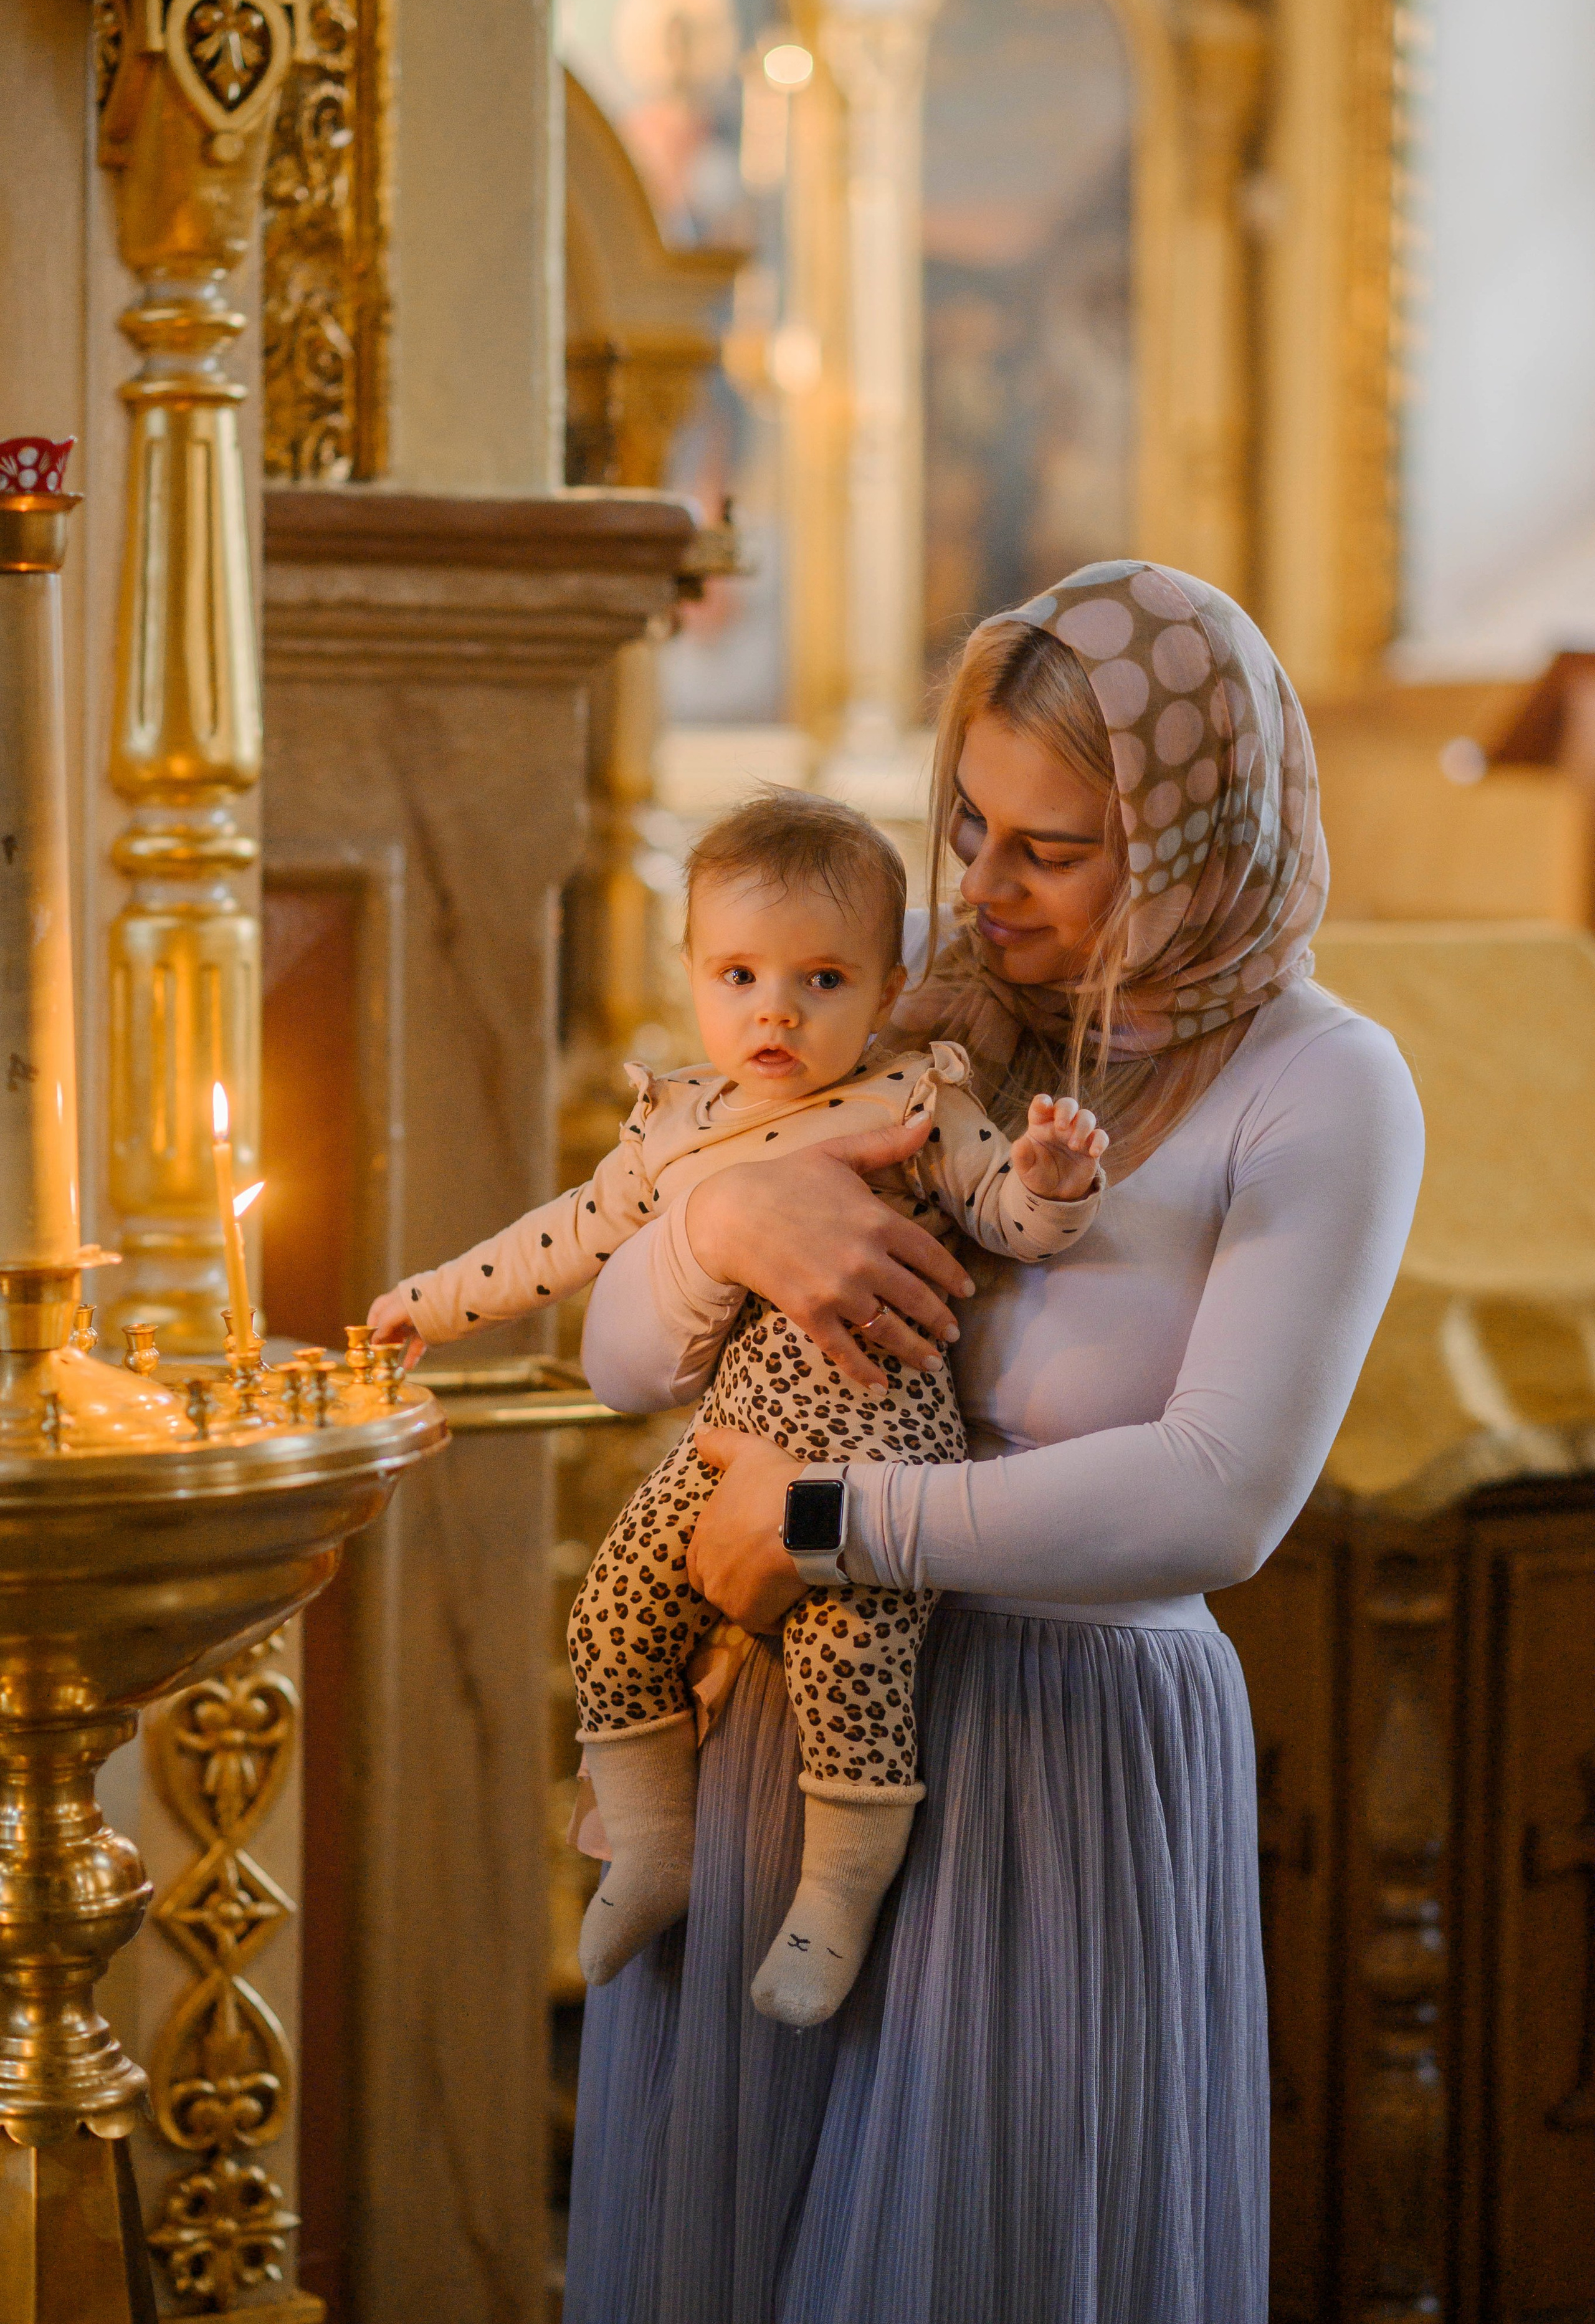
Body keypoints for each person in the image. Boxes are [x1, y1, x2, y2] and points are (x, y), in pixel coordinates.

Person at [563, 562, 1425, 2324]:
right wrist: (718, 1235)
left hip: (1059, 1761)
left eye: (1055, 846)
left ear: (1196, 837)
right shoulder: (917, 1032)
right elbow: (616, 1364)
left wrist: (827, 1517)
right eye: (969, 819)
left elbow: (1219, 1496)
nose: (979, 882)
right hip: (777, 1747)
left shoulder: (1321, 1085)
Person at [368, 788, 1107, 2026]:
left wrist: (1049, 1178)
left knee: (850, 1656)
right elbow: (562, 1239)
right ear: (693, 973)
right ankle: (652, 1848)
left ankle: (837, 1895)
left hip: (876, 1429)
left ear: (884, 988)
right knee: (610, 1610)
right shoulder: (674, 1127)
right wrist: (430, 1304)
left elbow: (1009, 1221)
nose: (774, 1009)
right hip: (727, 1444)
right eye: (739, 973)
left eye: (822, 979)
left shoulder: (914, 1099)